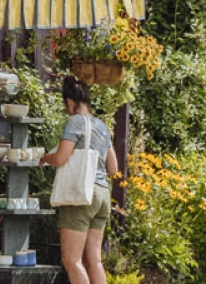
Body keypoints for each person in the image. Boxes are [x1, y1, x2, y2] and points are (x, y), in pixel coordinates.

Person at [44, 76, 118, 284]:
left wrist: (45, 157)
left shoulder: (75, 122)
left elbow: (60, 158)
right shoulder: (102, 126)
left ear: (69, 102)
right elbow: (113, 169)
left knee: (72, 259)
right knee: (94, 260)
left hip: (81, 195)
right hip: (102, 195)